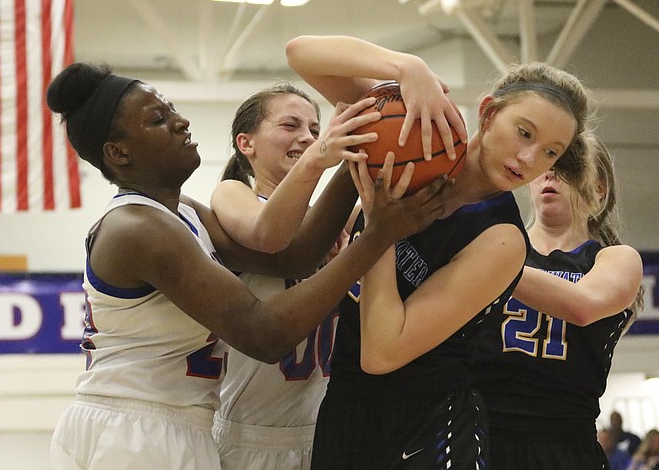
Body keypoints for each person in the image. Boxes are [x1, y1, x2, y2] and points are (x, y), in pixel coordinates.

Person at [45, 62, 448, 470]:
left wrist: (361, 148)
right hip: (130, 430)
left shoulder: (180, 213)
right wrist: (377, 237)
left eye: (172, 111)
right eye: (159, 119)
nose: (181, 122)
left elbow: (295, 256)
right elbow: (264, 334)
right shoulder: (137, 227)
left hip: (178, 424)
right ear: (119, 153)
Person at [286, 34, 595, 469]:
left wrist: (379, 232)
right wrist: (405, 66)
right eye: (523, 132)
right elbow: (302, 53)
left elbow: (382, 353)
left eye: (550, 152)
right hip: (344, 403)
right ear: (488, 113)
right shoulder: (416, 130)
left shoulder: (502, 240)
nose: (528, 158)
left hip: (426, 428)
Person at [210, 83, 375, 469]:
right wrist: (319, 156)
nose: (307, 136)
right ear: (246, 143)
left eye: (316, 129)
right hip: (251, 433)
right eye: (290, 125)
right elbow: (268, 235)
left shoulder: (333, 219)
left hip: (327, 428)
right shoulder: (233, 195)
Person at [470, 136, 644, 469]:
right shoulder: (497, 241)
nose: (550, 175)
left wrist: (480, 261)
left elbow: (583, 305)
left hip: (565, 445)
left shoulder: (617, 259)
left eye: (565, 168)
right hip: (481, 436)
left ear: (598, 189)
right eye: (544, 166)